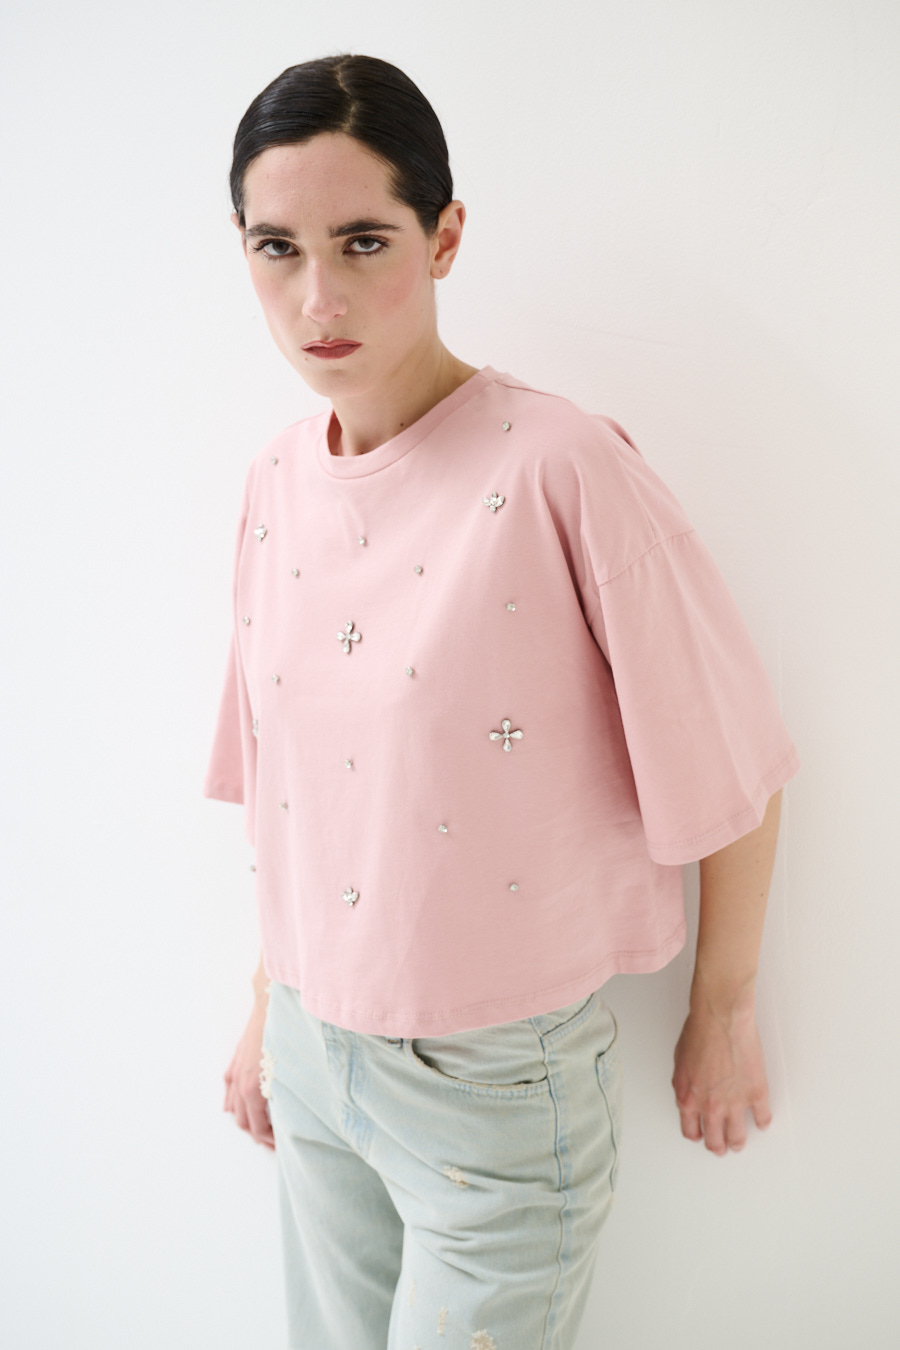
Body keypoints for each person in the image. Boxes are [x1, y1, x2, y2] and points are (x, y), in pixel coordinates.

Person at [203, 53, 800, 1350]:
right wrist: (269, 1005)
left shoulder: (562, 468)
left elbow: (735, 761)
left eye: (364, 241)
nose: (318, 297)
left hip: (494, 1087)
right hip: (312, 1052)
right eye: (276, 247)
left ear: (446, 235)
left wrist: (724, 1003)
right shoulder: (274, 481)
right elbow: (297, 800)